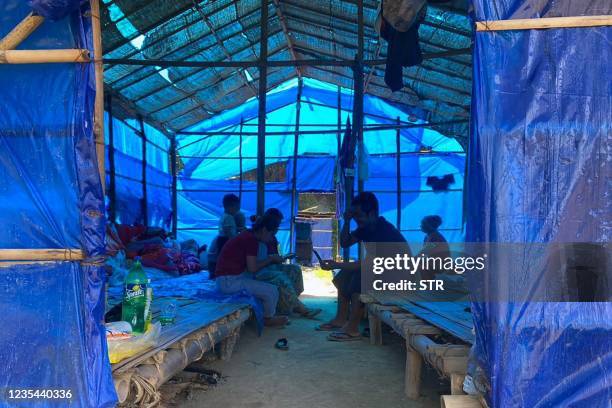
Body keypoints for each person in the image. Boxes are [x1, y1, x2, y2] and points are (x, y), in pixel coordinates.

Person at [318, 192, 409, 341]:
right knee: (345, 275)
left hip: (400, 279)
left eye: (358, 215)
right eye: (353, 215)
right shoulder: (367, 227)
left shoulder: (385, 232)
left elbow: (370, 264)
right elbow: (345, 242)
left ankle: (352, 328)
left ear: (372, 213)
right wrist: (346, 222)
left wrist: (337, 264)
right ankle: (341, 319)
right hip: (383, 272)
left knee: (361, 276)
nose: (355, 219)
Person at [215, 214, 289, 327]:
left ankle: (267, 315)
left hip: (228, 278)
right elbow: (252, 268)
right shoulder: (251, 240)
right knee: (271, 291)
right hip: (228, 282)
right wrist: (271, 259)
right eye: (271, 234)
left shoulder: (248, 235)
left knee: (268, 287)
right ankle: (267, 319)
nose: (271, 238)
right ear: (264, 230)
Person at [254, 208, 320, 317]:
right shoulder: (259, 236)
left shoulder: (272, 237)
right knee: (281, 277)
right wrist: (273, 259)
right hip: (262, 268)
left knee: (295, 269)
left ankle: (291, 302)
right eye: (276, 224)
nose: (278, 228)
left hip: (271, 265)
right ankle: (300, 308)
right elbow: (257, 261)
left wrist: (280, 259)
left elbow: (274, 256)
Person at [208, 194, 244, 278]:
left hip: (223, 239)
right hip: (225, 240)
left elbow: (230, 228)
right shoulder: (229, 218)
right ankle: (221, 273)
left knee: (221, 258)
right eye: (237, 207)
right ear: (230, 207)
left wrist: (239, 229)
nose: (238, 210)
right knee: (224, 258)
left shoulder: (225, 216)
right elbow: (228, 231)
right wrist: (235, 242)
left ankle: (217, 273)